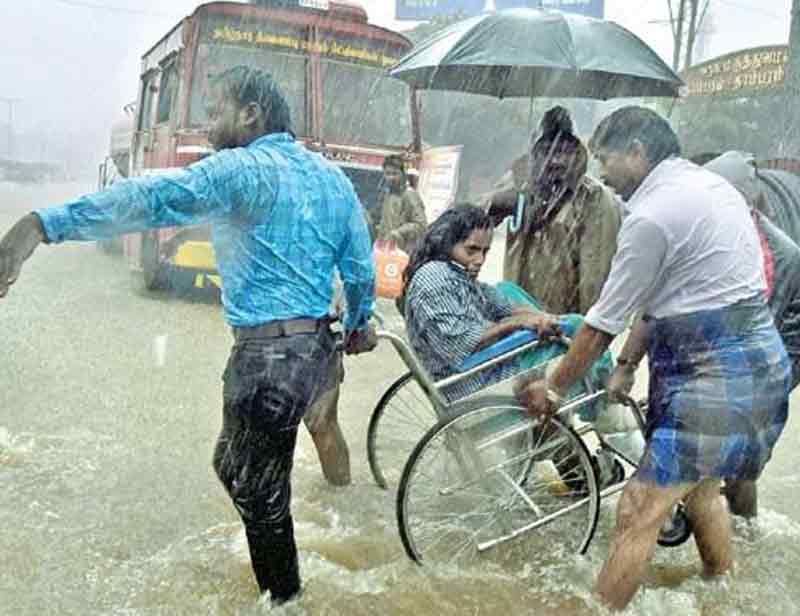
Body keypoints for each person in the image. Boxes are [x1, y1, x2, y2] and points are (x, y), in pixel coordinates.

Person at [0, 66, 377, 605]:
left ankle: (289, 600)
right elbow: (360, 271)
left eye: (216, 111)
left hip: (266, 360)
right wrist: (361, 323)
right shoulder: (332, 179)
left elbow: (149, 201)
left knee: (259, 494)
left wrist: (40, 225)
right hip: (317, 352)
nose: (207, 125)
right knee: (235, 466)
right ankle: (338, 530)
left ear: (251, 114)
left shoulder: (240, 170)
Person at [521, 106, 791, 610]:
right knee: (703, 492)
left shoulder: (652, 215)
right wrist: (626, 366)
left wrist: (554, 386)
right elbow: (671, 294)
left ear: (637, 152)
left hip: (716, 377)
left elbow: (604, 320)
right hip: (757, 367)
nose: (602, 172)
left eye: (606, 159)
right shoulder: (708, 189)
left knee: (639, 509)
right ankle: (722, 593)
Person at [402, 204, 644, 474]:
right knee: (579, 331)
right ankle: (607, 411)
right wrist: (521, 323)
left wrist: (542, 318)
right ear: (446, 244)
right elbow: (461, 344)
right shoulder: (436, 278)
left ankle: (601, 411)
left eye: (485, 251)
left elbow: (501, 304)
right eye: (471, 250)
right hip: (476, 387)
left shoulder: (452, 272)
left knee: (509, 291)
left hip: (476, 377)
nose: (480, 260)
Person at [701, 151, 800, 518]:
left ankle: (745, 534)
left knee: (742, 454)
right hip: (751, 340)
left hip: (783, 350)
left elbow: (760, 331)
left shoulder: (780, 255)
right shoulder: (721, 234)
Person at [485, 106, 621, 315]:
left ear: (578, 154)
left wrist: (584, 331)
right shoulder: (518, 188)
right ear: (535, 154)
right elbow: (474, 225)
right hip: (520, 316)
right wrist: (500, 203)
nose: (556, 160)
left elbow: (595, 278)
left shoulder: (594, 198)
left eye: (565, 151)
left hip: (566, 321)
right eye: (547, 150)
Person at [374, 154, 428, 254]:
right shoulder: (388, 194)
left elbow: (421, 225)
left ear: (402, 173)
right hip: (386, 251)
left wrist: (399, 232)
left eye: (394, 174)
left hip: (403, 253)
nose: (390, 178)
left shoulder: (409, 195)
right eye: (387, 174)